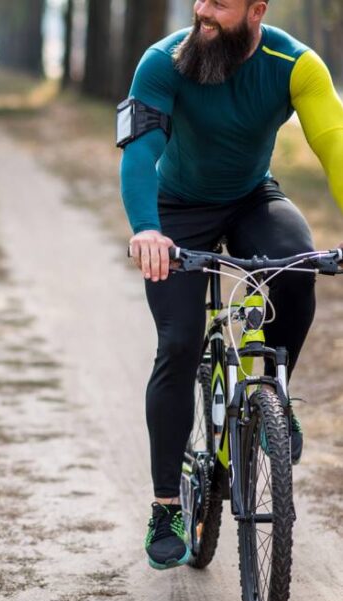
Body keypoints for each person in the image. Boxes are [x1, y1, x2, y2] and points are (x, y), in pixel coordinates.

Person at [119, 0, 343, 570]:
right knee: (178, 343)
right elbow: (140, 152)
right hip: (174, 209)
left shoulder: (295, 64)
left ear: (257, 10)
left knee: (297, 265)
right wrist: (146, 228)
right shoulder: (163, 60)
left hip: (251, 198)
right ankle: (167, 504)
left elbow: (334, 144)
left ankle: (272, 390)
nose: (202, 11)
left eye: (219, 3)